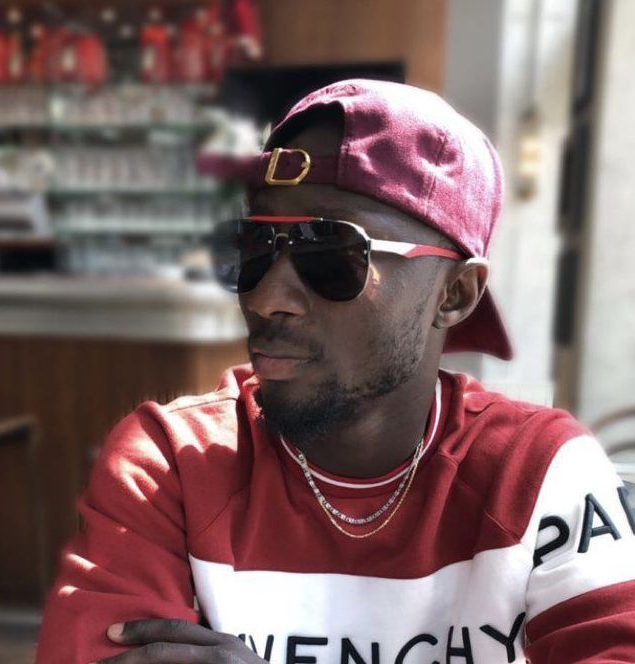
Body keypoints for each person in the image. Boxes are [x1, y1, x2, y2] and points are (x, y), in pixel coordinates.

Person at [35, 79, 635, 664]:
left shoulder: (540, 477)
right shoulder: (173, 465)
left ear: (454, 294)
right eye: (254, 245)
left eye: (330, 252)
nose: (266, 297)